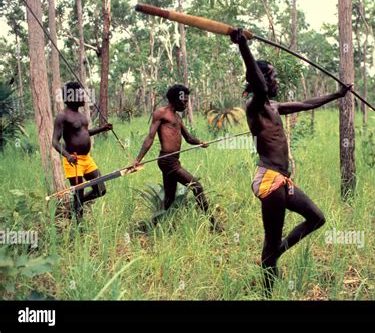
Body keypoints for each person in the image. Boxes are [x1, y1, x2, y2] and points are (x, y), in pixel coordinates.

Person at [230, 28, 353, 295]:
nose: (275, 80)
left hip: (283, 180)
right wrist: (243, 47)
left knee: (316, 218)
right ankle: (266, 289)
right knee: (270, 240)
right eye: (271, 76)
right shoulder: (256, 106)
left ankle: (272, 257)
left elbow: (307, 103)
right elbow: (259, 84)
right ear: (260, 79)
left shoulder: (274, 106)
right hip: (269, 180)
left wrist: (338, 95)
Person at [133, 84, 223, 232]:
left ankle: (147, 227)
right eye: (184, 101)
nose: (186, 104)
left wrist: (200, 142)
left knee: (169, 199)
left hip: (174, 160)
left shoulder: (177, 118)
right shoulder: (161, 113)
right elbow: (150, 137)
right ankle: (213, 224)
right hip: (167, 161)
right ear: (176, 99)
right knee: (197, 187)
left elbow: (188, 138)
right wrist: (138, 159)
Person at [52, 82, 112, 221]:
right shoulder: (62, 117)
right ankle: (79, 230)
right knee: (78, 194)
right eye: (80, 94)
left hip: (87, 159)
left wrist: (102, 129)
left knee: (101, 190)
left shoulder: (81, 116)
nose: (84, 96)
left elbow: (84, 133)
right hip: (74, 161)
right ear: (71, 98)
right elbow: (55, 141)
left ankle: (75, 206)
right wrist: (68, 156)